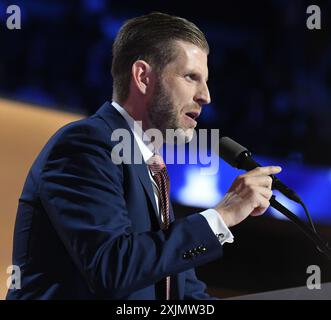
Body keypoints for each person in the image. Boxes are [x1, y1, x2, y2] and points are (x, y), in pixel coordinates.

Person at [6, 12, 281, 300]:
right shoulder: (85, 145)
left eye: (206, 81)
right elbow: (112, 268)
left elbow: (183, 294)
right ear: (142, 77)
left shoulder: (151, 166)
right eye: (191, 77)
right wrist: (221, 215)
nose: (205, 96)